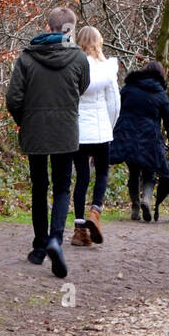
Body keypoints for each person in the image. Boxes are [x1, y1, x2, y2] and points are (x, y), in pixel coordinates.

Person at [5, 6, 90, 278]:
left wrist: (26, 120)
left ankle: (40, 247)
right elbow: (82, 88)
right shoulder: (79, 59)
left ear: (47, 26)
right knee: (63, 188)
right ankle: (55, 239)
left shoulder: (27, 58)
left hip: (36, 132)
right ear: (70, 29)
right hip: (65, 132)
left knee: (40, 188)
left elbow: (13, 99)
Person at [109, 60, 169, 223]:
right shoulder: (159, 93)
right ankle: (146, 200)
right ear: (161, 74)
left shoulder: (129, 88)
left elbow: (115, 108)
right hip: (150, 138)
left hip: (127, 136)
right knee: (150, 172)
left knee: (134, 172)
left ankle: (135, 206)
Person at [71, 26, 119, 247]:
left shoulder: (73, 67)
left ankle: (79, 230)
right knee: (102, 173)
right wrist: (109, 127)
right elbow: (114, 103)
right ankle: (95, 211)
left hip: (79, 131)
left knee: (81, 178)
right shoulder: (107, 69)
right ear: (99, 42)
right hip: (101, 130)